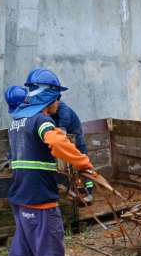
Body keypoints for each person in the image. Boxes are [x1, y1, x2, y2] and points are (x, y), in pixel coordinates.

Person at [1, 68, 95, 256]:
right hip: (40, 200)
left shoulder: (17, 122)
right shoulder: (41, 120)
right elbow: (56, 142)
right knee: (49, 249)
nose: (58, 102)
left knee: (24, 242)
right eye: (56, 97)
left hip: (21, 197)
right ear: (47, 97)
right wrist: (83, 163)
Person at [25, 69, 94, 201]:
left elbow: (63, 126)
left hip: (76, 136)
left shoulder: (62, 109)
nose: (57, 101)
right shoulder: (45, 114)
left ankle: (89, 191)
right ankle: (75, 190)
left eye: (58, 98)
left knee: (83, 161)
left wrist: (60, 132)